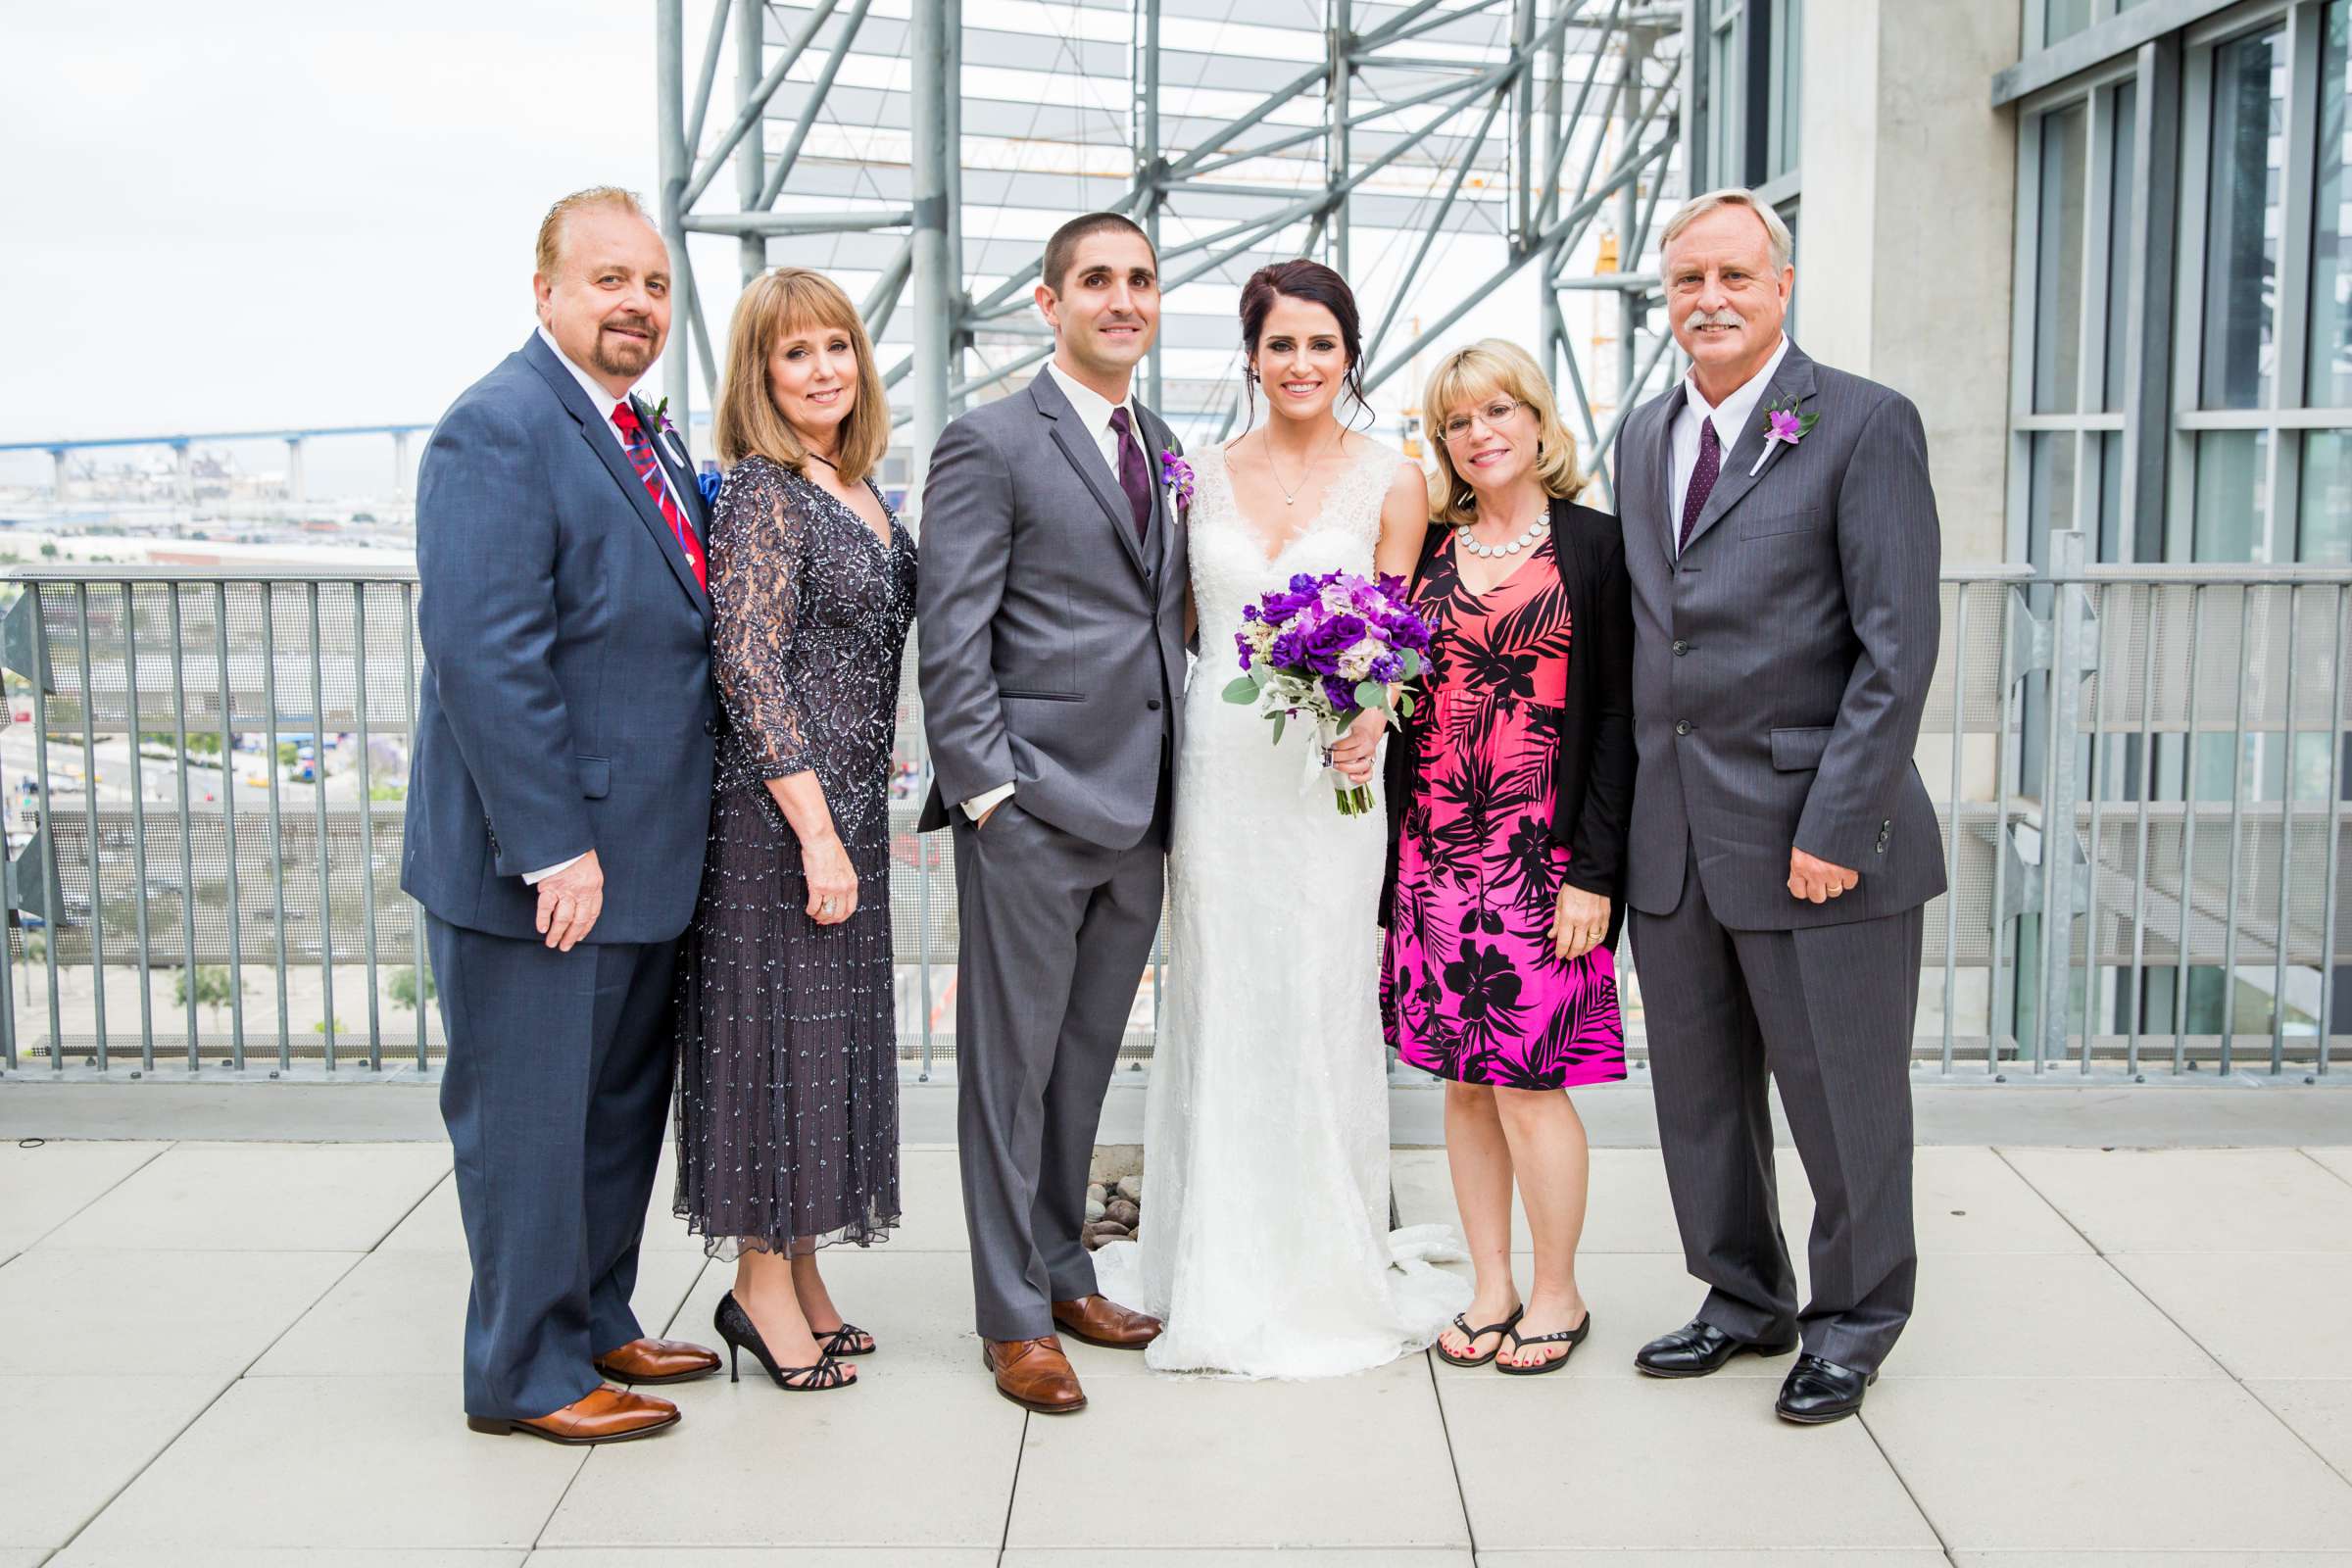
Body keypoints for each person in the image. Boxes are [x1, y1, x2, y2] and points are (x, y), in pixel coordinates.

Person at [1091, 260, 1466, 1379]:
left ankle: (1322, 1260)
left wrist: (1373, 723)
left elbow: (1397, 639)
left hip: (1330, 780)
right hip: (1219, 765)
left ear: (1348, 356)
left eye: (1323, 345)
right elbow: (1176, 626)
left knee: (1318, 993)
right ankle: (1210, 1260)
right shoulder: (1192, 475)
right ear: (1250, 356)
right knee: (1222, 992)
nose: (1302, 365)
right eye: (1281, 345)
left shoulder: (1392, 480)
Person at [1615, 188, 1943, 1425]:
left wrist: (1836, 826)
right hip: (1678, 833)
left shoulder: (1862, 424)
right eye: (1688, 278)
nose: (1709, 299)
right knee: (1699, 1098)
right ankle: (1739, 1297)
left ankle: (1853, 1321)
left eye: (1735, 278)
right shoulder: (1646, 434)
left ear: (1781, 286)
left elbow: (1895, 652)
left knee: (1844, 1102)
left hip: (1820, 834)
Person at [403, 186, 720, 1446]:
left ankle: (595, 1314)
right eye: (608, 281)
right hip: (543, 864)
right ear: (544, 291)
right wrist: (551, 844)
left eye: (651, 283)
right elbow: (488, 655)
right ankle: (525, 1373)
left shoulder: (639, 432)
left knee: (611, 1112)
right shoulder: (500, 427)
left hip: (639, 854)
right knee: (532, 1121)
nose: (636, 303)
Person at [916, 212, 1184, 1414]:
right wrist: (987, 794)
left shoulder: (1165, 443)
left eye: (1138, 280)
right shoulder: (989, 443)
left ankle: (1066, 1270)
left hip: (1141, 809)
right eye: (1096, 281)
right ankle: (1011, 1315)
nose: (1120, 299)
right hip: (1029, 807)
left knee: (1081, 1065)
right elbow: (953, 630)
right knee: (1008, 1069)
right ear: (1048, 301)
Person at [672, 267, 915, 1393]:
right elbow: (751, 668)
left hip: (848, 807)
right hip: (783, 817)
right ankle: (759, 1289)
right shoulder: (769, 490)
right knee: (775, 1047)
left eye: (838, 347)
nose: (824, 369)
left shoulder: (854, 482)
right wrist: (816, 831)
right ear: (759, 374)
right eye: (795, 353)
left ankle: (805, 1272)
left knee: (826, 1048)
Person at [1380, 338, 1634, 1376]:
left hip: (1542, 860)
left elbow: (1620, 716)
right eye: (1457, 420)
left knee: (1532, 1083)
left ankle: (1559, 1290)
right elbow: (1391, 696)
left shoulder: (1597, 547)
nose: (1479, 434)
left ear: (1537, 420)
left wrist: (1597, 870)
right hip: (1434, 856)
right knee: (1462, 1082)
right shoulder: (1429, 549)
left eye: (1497, 412)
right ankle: (1491, 1283)